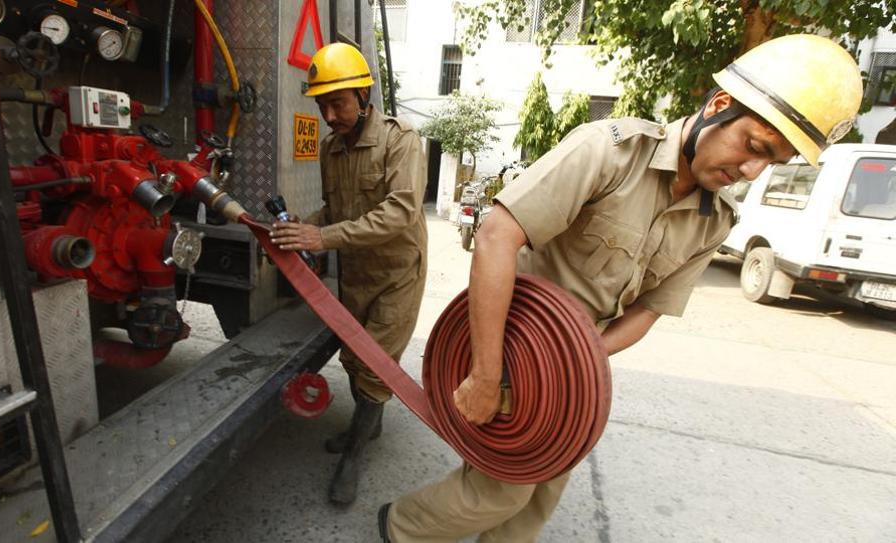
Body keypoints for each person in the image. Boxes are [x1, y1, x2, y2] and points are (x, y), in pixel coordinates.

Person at [377, 34, 863, 542]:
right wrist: (484, 374)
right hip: (508, 346)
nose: (751, 170)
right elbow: (498, 235)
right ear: (719, 106)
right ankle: (400, 529)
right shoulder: (608, 151)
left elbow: (649, 311)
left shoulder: (712, 221)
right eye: (754, 147)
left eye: (771, 162)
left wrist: (572, 368)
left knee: (543, 488)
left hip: (570, 368)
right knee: (502, 489)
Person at [269, 42, 428, 506]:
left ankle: (353, 457)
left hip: (399, 273)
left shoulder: (402, 141)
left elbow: (399, 213)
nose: (329, 115)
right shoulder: (330, 148)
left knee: (376, 366)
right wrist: (306, 227)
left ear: (363, 94)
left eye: (337, 102)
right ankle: (370, 425)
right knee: (355, 361)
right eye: (322, 105)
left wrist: (324, 238)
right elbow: (336, 209)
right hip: (357, 272)